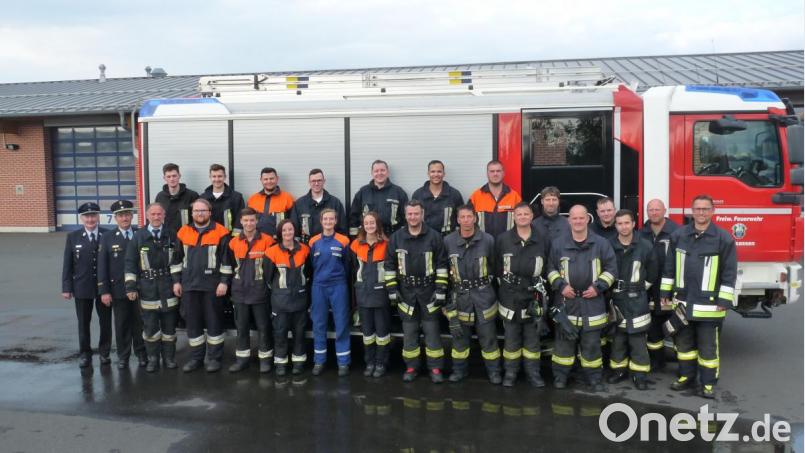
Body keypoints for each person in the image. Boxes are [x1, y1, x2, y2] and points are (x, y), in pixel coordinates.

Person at [660, 194, 737, 399]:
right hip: (683, 303)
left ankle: (708, 384)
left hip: (710, 307)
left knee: (708, 349)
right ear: (692, 211)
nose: (701, 212)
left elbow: (729, 273)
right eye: (697, 209)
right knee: (684, 346)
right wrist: (665, 292)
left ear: (713, 211)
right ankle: (687, 377)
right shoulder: (679, 236)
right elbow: (669, 266)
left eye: (705, 209)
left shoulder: (723, 239)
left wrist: (724, 300)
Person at [547, 204, 617, 391]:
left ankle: (594, 378)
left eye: (581, 218)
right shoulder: (558, 244)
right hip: (566, 302)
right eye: (574, 218)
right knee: (563, 345)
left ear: (587, 219)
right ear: (569, 220)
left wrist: (598, 287)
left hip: (592, 302)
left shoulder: (601, 244)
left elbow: (611, 270)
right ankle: (560, 377)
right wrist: (561, 286)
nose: (578, 221)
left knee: (592, 345)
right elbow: (550, 269)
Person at [384, 200, 449, 383]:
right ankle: (411, 367)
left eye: (416, 213)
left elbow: (442, 265)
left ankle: (435, 368)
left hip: (429, 292)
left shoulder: (434, 237)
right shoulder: (396, 238)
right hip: (406, 293)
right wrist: (392, 289)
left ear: (422, 214)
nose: (413, 217)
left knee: (432, 332)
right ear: (405, 216)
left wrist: (441, 289)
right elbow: (389, 265)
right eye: (410, 214)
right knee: (410, 333)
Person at [171, 198, 233, 373]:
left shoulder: (221, 232)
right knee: (193, 324)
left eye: (203, 211)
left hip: (212, 286)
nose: (199, 214)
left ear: (209, 213)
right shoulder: (183, 232)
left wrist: (224, 282)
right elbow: (176, 260)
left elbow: (226, 261)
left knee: (214, 322)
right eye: (196, 211)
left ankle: (214, 359)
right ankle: (196, 358)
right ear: (192, 213)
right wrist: (176, 281)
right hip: (189, 286)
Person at [443, 205, 501, 384]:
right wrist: (446, 300)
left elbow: (495, 266)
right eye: (463, 217)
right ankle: (459, 371)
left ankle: (494, 372)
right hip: (460, 297)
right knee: (460, 339)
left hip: (484, 297)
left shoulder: (488, 240)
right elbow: (444, 270)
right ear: (457, 220)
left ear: (475, 218)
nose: (466, 220)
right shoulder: (448, 241)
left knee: (489, 338)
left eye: (469, 216)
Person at [495, 202, 549, 387]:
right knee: (511, 339)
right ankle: (510, 373)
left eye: (526, 214)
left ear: (532, 216)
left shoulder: (542, 239)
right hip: (510, 297)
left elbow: (548, 265)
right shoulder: (503, 239)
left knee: (532, 340)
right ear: (514, 217)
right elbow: (496, 266)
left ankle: (533, 374)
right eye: (519, 214)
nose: (523, 217)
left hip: (533, 297)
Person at [125, 203, 180, 372]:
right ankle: (153, 359)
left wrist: (177, 282)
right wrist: (130, 287)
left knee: (169, 327)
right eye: (153, 214)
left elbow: (177, 261)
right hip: (147, 288)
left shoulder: (171, 235)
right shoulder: (139, 236)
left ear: (164, 216)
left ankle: (169, 358)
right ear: (147, 216)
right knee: (150, 328)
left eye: (159, 214)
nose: (156, 217)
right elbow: (130, 263)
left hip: (168, 286)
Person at [607, 209, 658, 390]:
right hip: (616, 298)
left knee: (638, 339)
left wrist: (640, 288)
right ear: (615, 226)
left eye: (627, 223)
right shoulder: (609, 245)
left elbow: (653, 271)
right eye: (620, 223)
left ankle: (640, 374)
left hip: (638, 299)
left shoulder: (645, 246)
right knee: (618, 338)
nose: (623, 227)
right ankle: (618, 371)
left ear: (633, 224)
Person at [97, 200, 147, 369]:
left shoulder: (141, 234)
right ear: (115, 218)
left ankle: (141, 354)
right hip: (118, 289)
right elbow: (102, 266)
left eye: (127, 214)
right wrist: (104, 291)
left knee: (140, 323)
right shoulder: (107, 237)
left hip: (140, 288)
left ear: (132, 216)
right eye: (120, 215)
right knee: (121, 324)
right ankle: (123, 356)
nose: (124, 218)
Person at [226, 208, 275, 374]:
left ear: (257, 221)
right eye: (246, 220)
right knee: (241, 328)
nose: (249, 223)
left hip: (260, 292)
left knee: (264, 327)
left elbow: (271, 267)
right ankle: (242, 360)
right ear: (241, 221)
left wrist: (267, 286)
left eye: (252, 220)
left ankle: (265, 360)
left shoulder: (267, 241)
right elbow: (230, 266)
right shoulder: (233, 242)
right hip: (239, 292)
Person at [61, 202, 110, 368]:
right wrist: (66, 287)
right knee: (83, 322)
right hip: (82, 286)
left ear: (98, 216)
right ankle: (85, 354)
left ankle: (104, 352)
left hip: (104, 288)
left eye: (93, 215)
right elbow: (68, 264)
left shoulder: (107, 234)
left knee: (105, 322)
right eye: (87, 216)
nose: (90, 219)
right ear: (81, 218)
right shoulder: (73, 237)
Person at [266, 219, 311, 376]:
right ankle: (280, 363)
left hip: (300, 300)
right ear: (280, 233)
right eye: (284, 230)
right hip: (280, 302)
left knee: (299, 333)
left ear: (295, 231)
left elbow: (309, 273)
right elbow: (268, 278)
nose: (287, 233)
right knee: (280, 333)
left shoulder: (305, 250)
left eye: (290, 229)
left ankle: (298, 362)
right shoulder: (271, 252)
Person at [309, 209, 352, 377]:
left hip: (338, 286)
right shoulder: (313, 241)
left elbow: (347, 265)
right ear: (321, 221)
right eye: (325, 219)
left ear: (336, 221)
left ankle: (343, 362)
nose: (328, 222)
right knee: (319, 324)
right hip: (319, 286)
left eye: (331, 219)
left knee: (341, 323)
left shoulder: (344, 240)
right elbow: (312, 264)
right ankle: (319, 361)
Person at [350, 211, 392, 378]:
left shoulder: (386, 244)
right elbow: (352, 270)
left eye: (372, 222)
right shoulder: (355, 245)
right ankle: (370, 362)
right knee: (367, 333)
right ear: (363, 225)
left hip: (381, 294)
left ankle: (381, 363)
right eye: (366, 223)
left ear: (378, 224)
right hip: (363, 294)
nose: (369, 226)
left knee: (382, 332)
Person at [639, 199, 679, 370]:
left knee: (677, 328)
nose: (654, 213)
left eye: (657, 209)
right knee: (653, 328)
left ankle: (683, 365)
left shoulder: (677, 232)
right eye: (651, 210)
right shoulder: (641, 233)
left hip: (671, 289)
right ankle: (657, 362)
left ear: (665, 210)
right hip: (649, 289)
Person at [349, 160, 408, 237]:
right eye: (376, 171)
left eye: (382, 170)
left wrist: (404, 237)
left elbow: (406, 217)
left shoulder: (398, 192)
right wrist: (354, 238)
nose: (379, 173)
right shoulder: (363, 192)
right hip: (368, 237)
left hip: (392, 236)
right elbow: (354, 217)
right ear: (372, 173)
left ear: (387, 172)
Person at [468, 160, 522, 238]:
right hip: (482, 242)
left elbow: (522, 221)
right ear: (487, 174)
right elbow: (467, 221)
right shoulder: (476, 196)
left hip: (508, 241)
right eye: (492, 171)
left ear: (503, 173)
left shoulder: (514, 196)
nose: (495, 174)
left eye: (498, 171)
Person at [290, 168, 347, 243]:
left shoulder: (335, 203)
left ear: (324, 181)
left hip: (330, 247)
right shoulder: (299, 204)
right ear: (309, 182)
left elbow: (342, 229)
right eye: (313, 181)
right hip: (307, 247)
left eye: (319, 180)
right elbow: (295, 230)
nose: (316, 183)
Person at [411, 160, 464, 235]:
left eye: (439, 171)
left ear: (444, 174)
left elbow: (461, 218)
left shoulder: (454, 194)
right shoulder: (418, 195)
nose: (436, 174)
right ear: (428, 174)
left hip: (447, 238)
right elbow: (413, 218)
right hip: (424, 238)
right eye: (433, 171)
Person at [247, 167, 295, 237]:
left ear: (277, 178)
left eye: (271, 178)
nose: (269, 181)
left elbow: (293, 222)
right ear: (261, 180)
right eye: (265, 179)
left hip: (279, 240)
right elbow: (247, 221)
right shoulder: (252, 199)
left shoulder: (288, 198)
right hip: (257, 239)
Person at [200, 164, 246, 235]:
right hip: (208, 238)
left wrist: (235, 239)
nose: (217, 179)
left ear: (225, 177)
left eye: (220, 176)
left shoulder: (236, 197)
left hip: (229, 238)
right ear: (210, 177)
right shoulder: (202, 198)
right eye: (214, 176)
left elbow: (239, 221)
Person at [154, 163, 199, 235]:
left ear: (179, 176)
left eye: (174, 176)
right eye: (168, 176)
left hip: (187, 237)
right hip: (166, 237)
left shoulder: (192, 196)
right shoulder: (160, 197)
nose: (172, 179)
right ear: (164, 178)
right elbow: (156, 217)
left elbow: (198, 218)